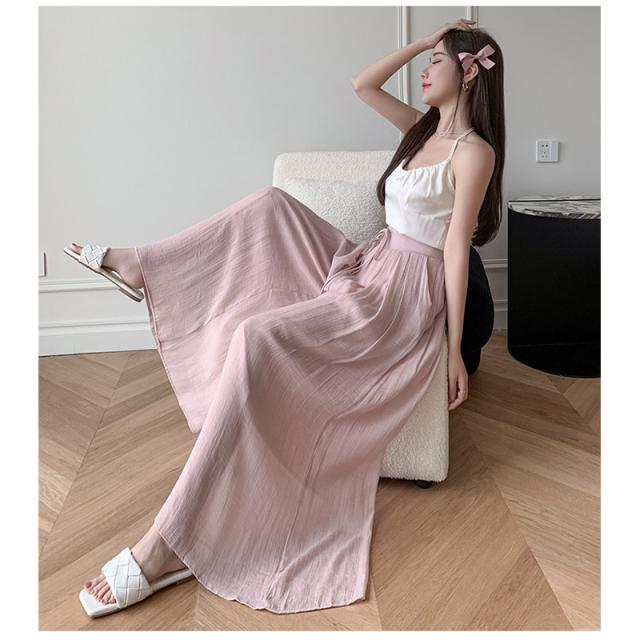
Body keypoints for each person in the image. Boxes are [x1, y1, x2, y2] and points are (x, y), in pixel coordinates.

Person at [70, 18, 503, 616]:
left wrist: (452, 349)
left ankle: (164, 545)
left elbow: (455, 248)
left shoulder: (473, 153)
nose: (425, 71)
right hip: (367, 262)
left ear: (469, 73)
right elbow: (362, 84)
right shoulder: (421, 129)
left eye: (437, 62)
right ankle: (144, 265)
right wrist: (427, 40)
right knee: (269, 203)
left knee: (256, 335)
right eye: (428, 60)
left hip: (398, 298)